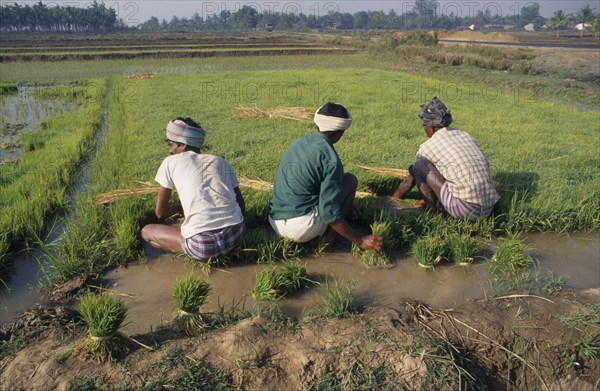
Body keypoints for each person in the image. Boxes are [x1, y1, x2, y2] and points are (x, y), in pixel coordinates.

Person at [268, 102, 384, 255]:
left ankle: (331, 227)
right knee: (349, 180)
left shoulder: (298, 143)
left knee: (338, 191)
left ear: (317, 125)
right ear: (340, 133)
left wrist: (344, 201)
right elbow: (329, 213)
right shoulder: (331, 160)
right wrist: (360, 239)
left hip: (274, 220)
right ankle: (329, 242)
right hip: (301, 229)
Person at [141, 117, 246, 261]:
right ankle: (214, 250)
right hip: (236, 234)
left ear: (183, 145)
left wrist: (178, 208)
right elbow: (241, 205)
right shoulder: (220, 161)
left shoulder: (169, 162)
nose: (170, 151)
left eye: (171, 145)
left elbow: (160, 213)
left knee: (147, 232)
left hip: (202, 246)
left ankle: (190, 252)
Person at [392, 97, 499, 221]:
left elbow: (409, 182)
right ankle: (440, 203)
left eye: (424, 126)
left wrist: (394, 198)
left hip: (466, 211)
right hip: (487, 208)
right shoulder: (464, 135)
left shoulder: (428, 147)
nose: (424, 129)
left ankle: (433, 212)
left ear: (431, 127)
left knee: (419, 166)